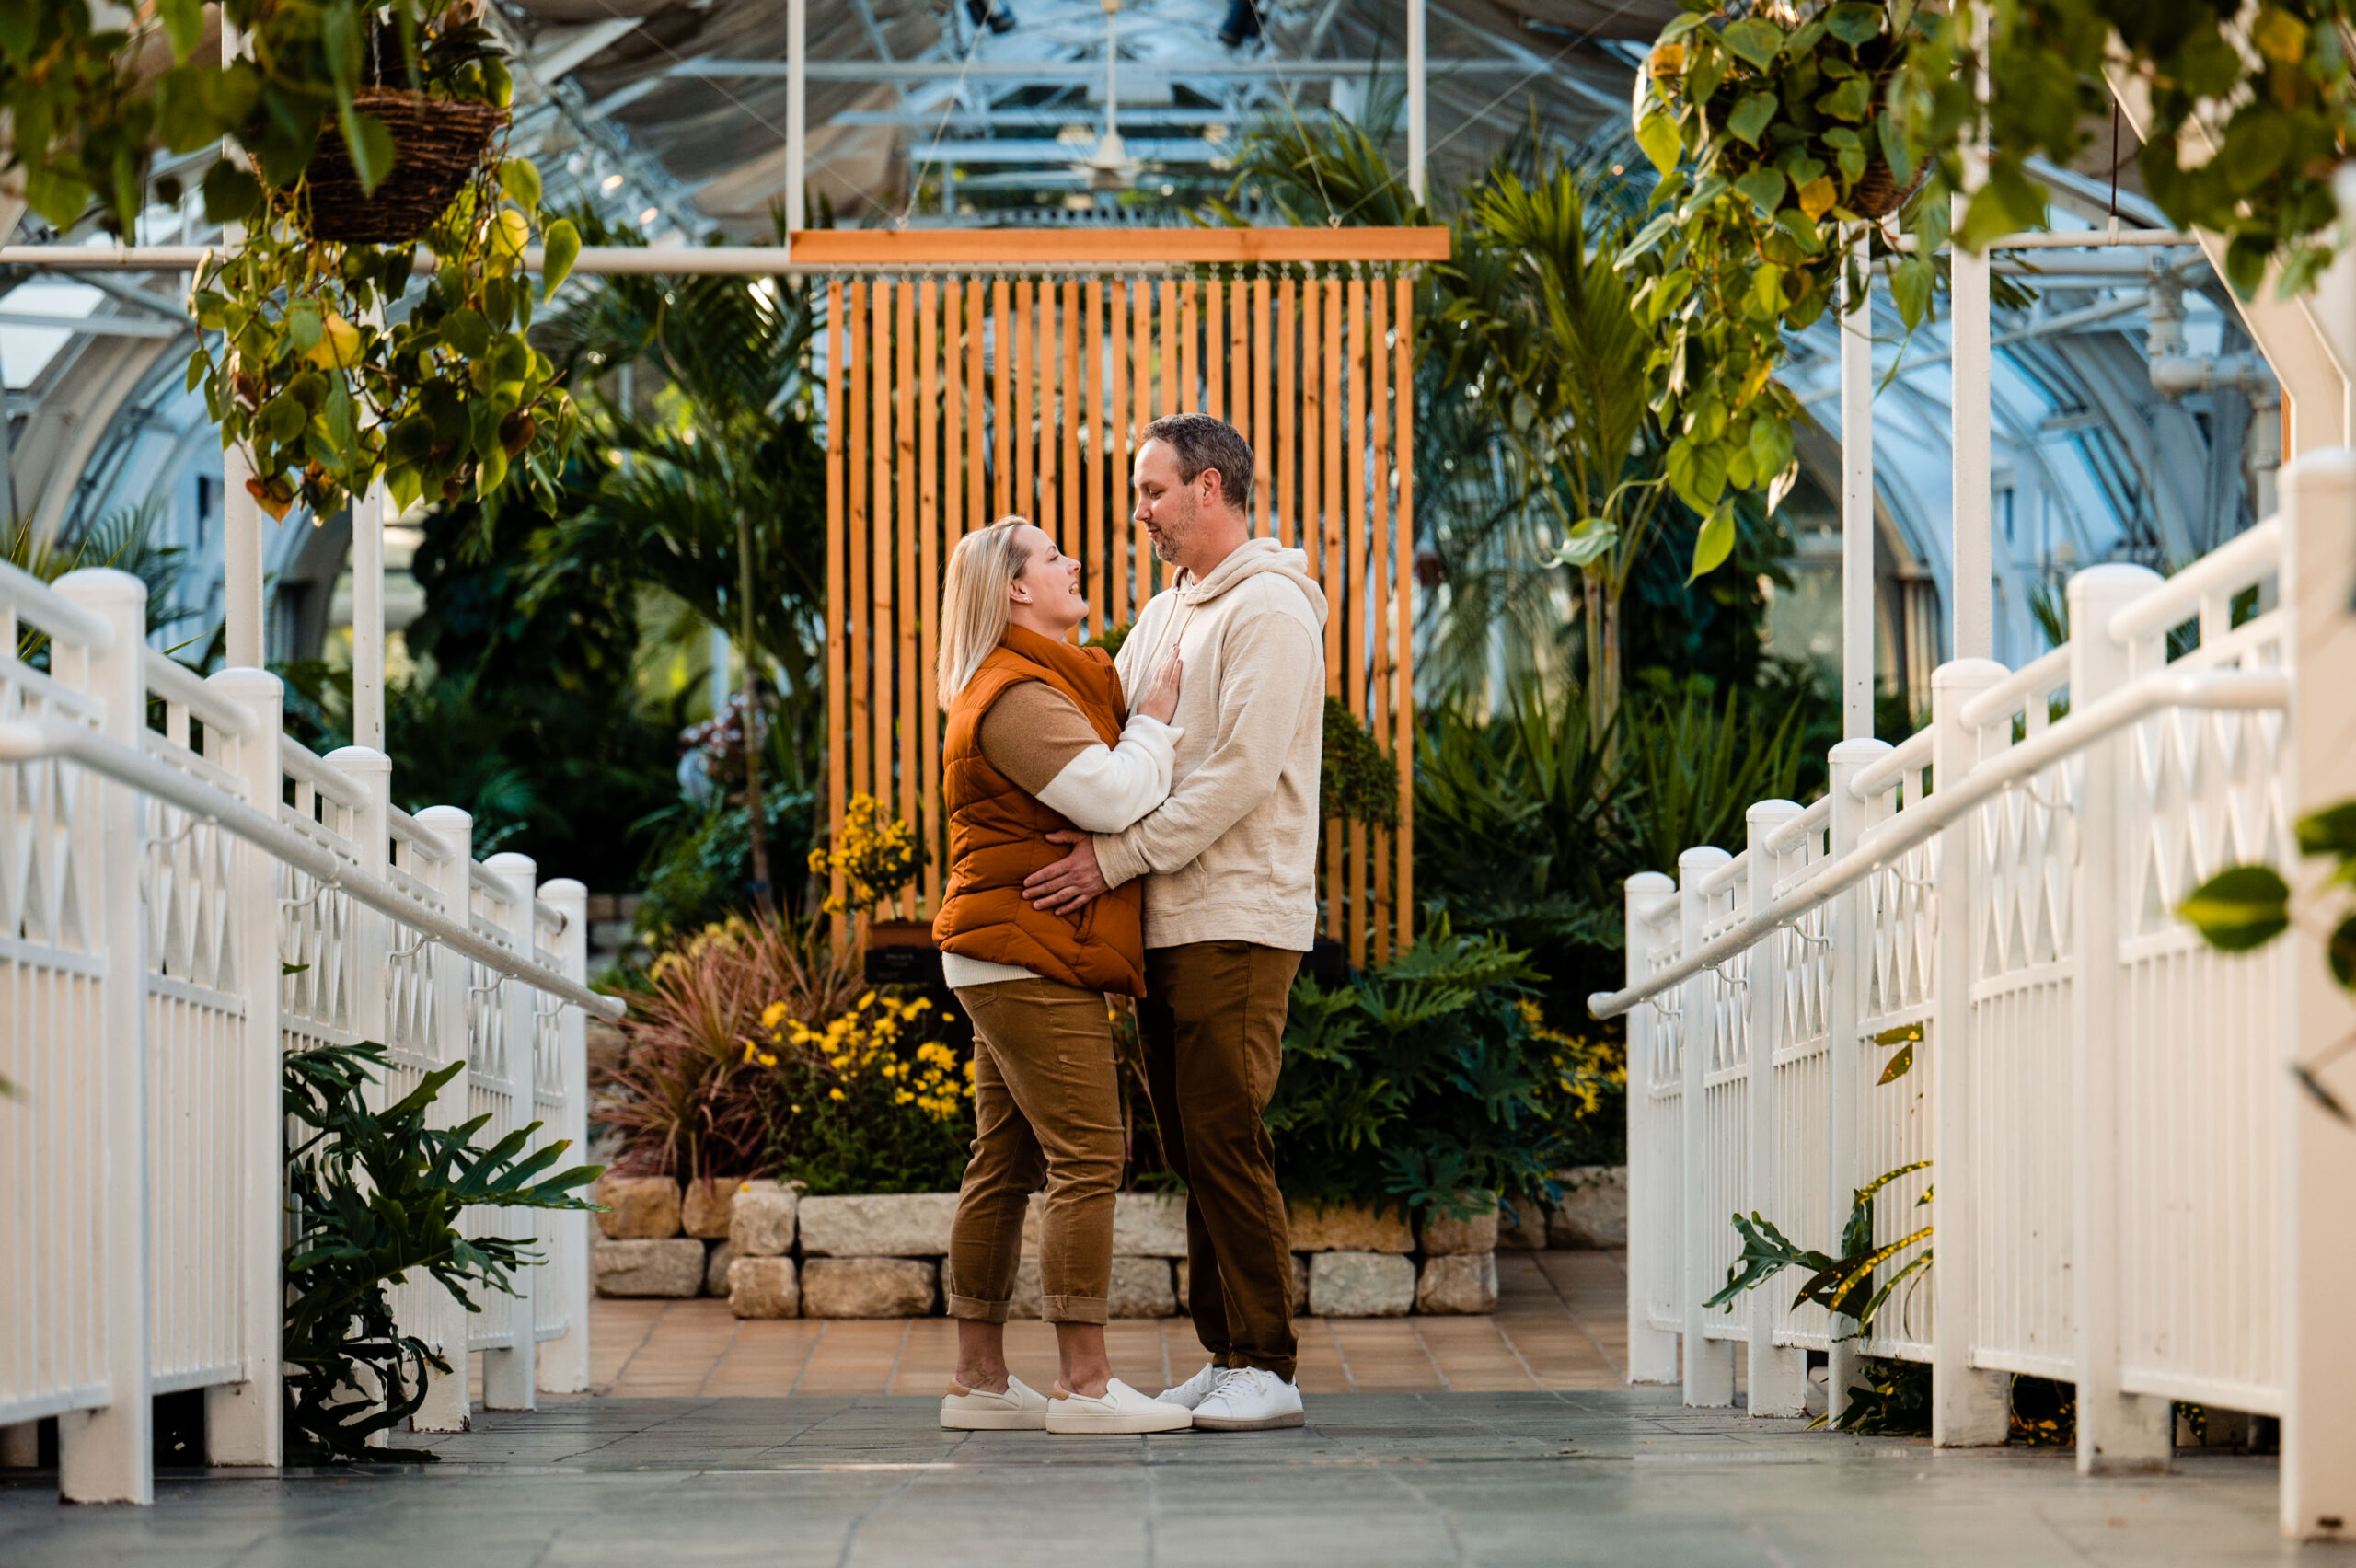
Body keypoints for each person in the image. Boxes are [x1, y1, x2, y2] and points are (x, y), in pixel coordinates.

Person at [1023, 413, 1327, 1432]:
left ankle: (1269, 1365)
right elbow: (1119, 732)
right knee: (1194, 1142)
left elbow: (1240, 774)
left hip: (1237, 912)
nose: (1138, 511)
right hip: (1165, 916)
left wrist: (1112, 858)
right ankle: (1229, 1351)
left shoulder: (1272, 608)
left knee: (1226, 1132)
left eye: (1152, 491)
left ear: (1209, 488)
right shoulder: (1167, 611)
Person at [930, 514, 1197, 1435]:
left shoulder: (1032, 682)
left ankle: (979, 1382)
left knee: (1002, 1161)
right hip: (1029, 949)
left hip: (1007, 949)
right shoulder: (1017, 696)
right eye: (1051, 556)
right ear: (1012, 589)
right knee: (1089, 1154)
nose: (1072, 561)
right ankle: (1084, 1387)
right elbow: (1118, 796)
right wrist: (1155, 721)